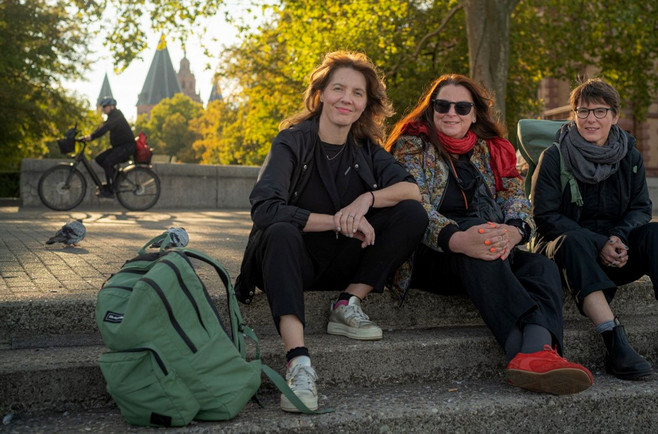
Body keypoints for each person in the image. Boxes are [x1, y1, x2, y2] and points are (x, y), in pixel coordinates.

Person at [234, 51, 427, 412]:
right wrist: (339, 220)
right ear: (320, 93)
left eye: (357, 93)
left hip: (342, 261)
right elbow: (265, 208)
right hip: (289, 259)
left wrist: (365, 201)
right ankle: (298, 362)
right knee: (279, 231)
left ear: (366, 103)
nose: (347, 99)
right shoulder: (292, 141)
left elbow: (413, 190)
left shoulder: (365, 148)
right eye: (338, 88)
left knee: (411, 214)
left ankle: (347, 303)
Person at [386, 74, 593, 396]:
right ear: (431, 109)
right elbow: (414, 206)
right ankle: (524, 353)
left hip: (491, 243)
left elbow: (515, 197)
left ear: (474, 113)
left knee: (542, 267)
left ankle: (536, 353)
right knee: (479, 243)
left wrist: (514, 230)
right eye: (442, 105)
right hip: (432, 252)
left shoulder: (490, 150)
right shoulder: (412, 146)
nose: (451, 112)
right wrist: (457, 237)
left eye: (461, 106)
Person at [530, 77, 658, 380]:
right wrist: (599, 243)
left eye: (600, 111)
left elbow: (641, 207)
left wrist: (618, 238)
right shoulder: (554, 157)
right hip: (567, 256)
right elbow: (546, 217)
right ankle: (614, 340)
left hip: (617, 251)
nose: (591, 119)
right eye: (582, 111)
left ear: (615, 116)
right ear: (573, 115)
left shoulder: (630, 155)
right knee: (573, 241)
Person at [82, 96, 136, 198]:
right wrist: (90, 135)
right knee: (99, 159)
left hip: (127, 147)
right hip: (118, 147)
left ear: (112, 106)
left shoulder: (117, 115)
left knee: (108, 162)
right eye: (103, 107)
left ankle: (111, 191)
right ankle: (117, 178)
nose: (103, 109)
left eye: (105, 106)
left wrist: (92, 137)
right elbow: (102, 127)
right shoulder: (111, 117)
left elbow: (106, 128)